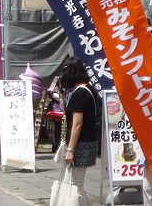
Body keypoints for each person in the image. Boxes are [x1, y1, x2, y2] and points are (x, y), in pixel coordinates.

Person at [49, 58, 98, 206]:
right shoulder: (90, 91)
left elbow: (77, 124)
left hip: (80, 144)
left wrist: (70, 149)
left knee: (75, 185)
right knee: (77, 183)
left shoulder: (79, 94)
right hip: (89, 142)